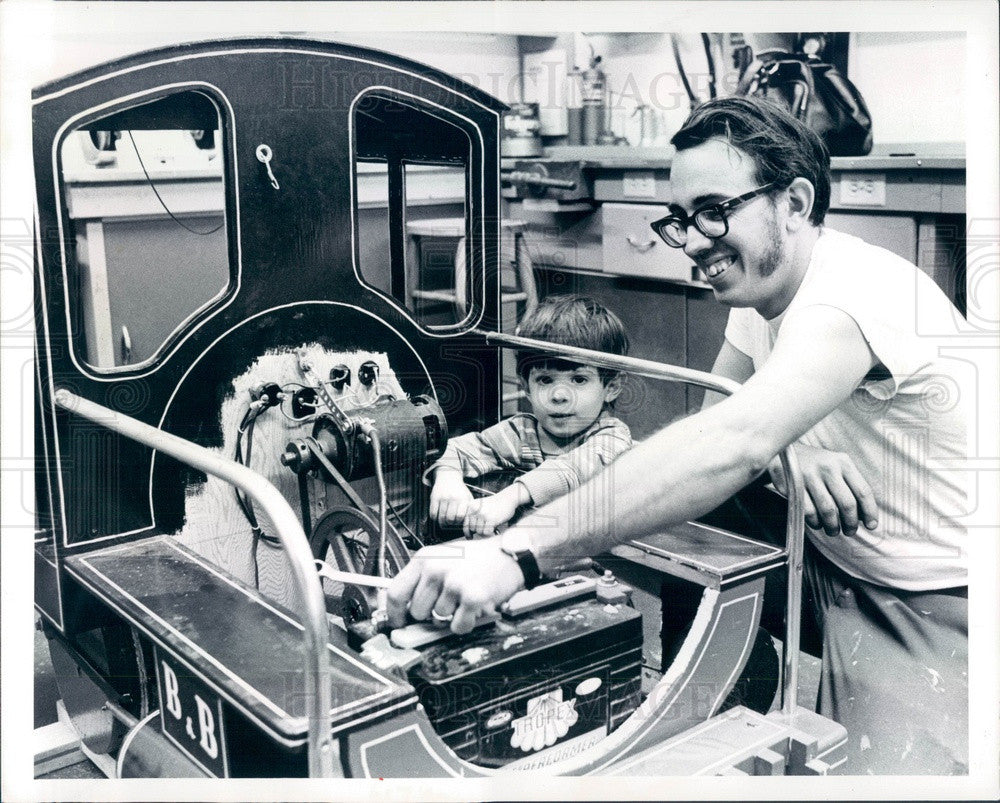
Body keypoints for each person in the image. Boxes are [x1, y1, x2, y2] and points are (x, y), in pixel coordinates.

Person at [388, 97, 968, 774]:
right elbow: (717, 417)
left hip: (935, 591)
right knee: (682, 485)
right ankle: (724, 699)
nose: (693, 240)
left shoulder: (852, 294)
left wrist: (515, 552)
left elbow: (731, 439)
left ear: (796, 201)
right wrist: (793, 446)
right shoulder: (766, 294)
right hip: (831, 556)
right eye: (682, 219)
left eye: (716, 209)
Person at [427, 294, 632, 538]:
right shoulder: (522, 432)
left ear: (611, 387)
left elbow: (570, 471)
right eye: (545, 380)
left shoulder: (613, 437)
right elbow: (454, 449)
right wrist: (447, 478)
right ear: (526, 386)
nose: (559, 395)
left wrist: (509, 498)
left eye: (579, 379)